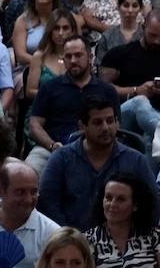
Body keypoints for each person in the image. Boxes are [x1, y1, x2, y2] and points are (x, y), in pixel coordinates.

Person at [38, 96, 154, 231]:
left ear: (117, 123)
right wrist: (68, 236)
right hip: (70, 242)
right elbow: (47, 204)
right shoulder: (61, 158)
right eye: (97, 122)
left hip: (124, 244)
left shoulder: (136, 161)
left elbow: (151, 206)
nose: (105, 128)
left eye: (110, 121)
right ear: (82, 126)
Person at [26, 35, 120, 175]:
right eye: (68, 57)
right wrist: (52, 145)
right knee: (27, 172)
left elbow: (117, 126)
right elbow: (34, 125)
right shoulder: (50, 87)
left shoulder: (107, 90)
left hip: (97, 149)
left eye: (78, 55)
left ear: (90, 57)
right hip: (51, 148)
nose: (73, 60)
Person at [99, 8, 160, 146]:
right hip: (124, 116)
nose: (157, 41)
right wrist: (136, 90)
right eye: (153, 35)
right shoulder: (119, 55)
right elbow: (103, 89)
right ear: (143, 28)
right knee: (140, 101)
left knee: (149, 139)